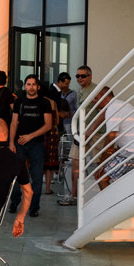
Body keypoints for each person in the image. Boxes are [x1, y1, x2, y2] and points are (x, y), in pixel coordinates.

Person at [8, 74, 52, 218]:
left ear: (38, 87)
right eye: (29, 84)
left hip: (37, 144)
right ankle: (14, 202)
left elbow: (48, 125)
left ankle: (34, 207)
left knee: (37, 176)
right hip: (19, 144)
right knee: (16, 175)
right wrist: (11, 142)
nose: (31, 87)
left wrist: (30, 136)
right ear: (25, 86)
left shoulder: (44, 103)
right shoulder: (19, 102)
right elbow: (14, 123)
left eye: (34, 84)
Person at [96, 89, 134, 188]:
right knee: (120, 178)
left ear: (104, 97)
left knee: (102, 176)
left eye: (96, 98)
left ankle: (112, 203)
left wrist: (102, 164)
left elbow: (110, 138)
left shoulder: (112, 109)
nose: (94, 102)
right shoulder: (120, 105)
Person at [59, 65, 99, 207]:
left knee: (98, 164)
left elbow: (102, 112)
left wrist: (91, 130)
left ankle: (101, 195)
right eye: (78, 76)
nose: (80, 78)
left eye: (83, 76)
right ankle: (74, 196)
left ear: (90, 76)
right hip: (80, 133)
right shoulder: (79, 92)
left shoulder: (96, 90)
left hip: (96, 133)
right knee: (75, 164)